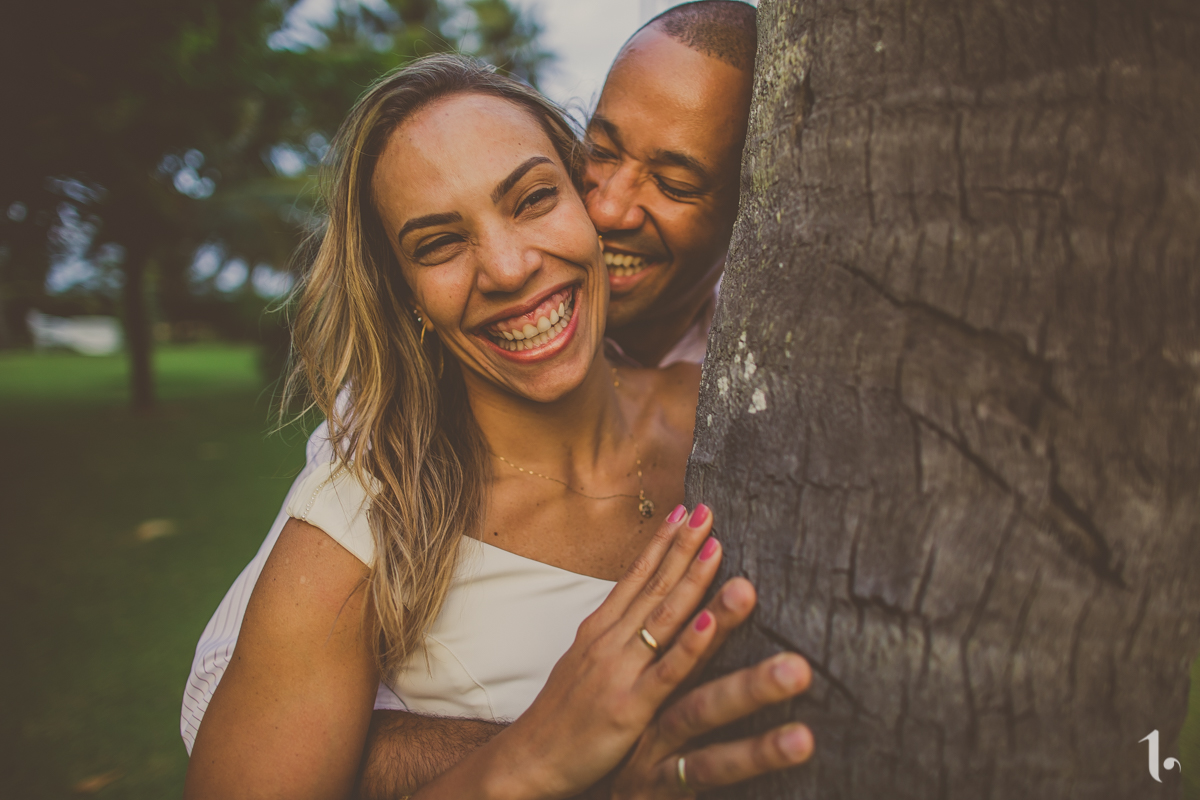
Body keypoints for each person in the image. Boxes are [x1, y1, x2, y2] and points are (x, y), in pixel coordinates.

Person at [183, 54, 810, 799]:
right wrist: (530, 760)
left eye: (533, 199)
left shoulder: (734, 412)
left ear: (584, 202)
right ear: (406, 293)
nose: (508, 269)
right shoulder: (367, 510)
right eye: (439, 244)